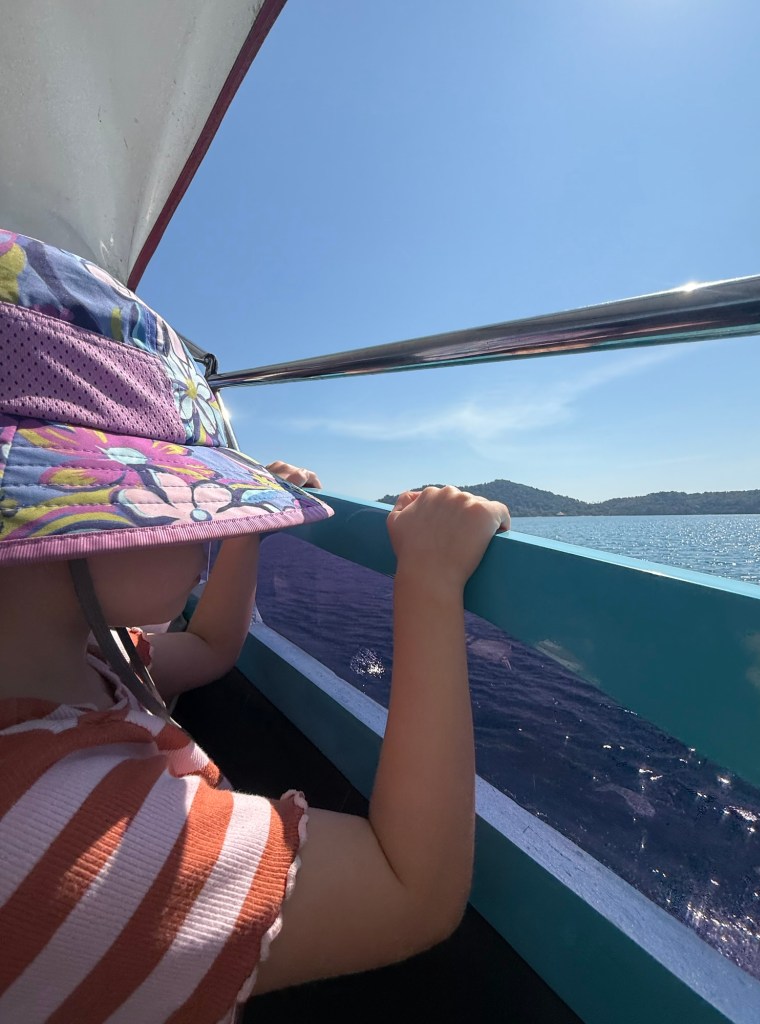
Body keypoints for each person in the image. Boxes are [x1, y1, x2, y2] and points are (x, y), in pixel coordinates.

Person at [0, 230, 510, 1022]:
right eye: (184, 496)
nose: (205, 522)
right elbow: (408, 889)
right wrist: (431, 580)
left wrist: (244, 537)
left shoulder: (79, 659)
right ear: (75, 527)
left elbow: (208, 649)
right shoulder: (67, 842)